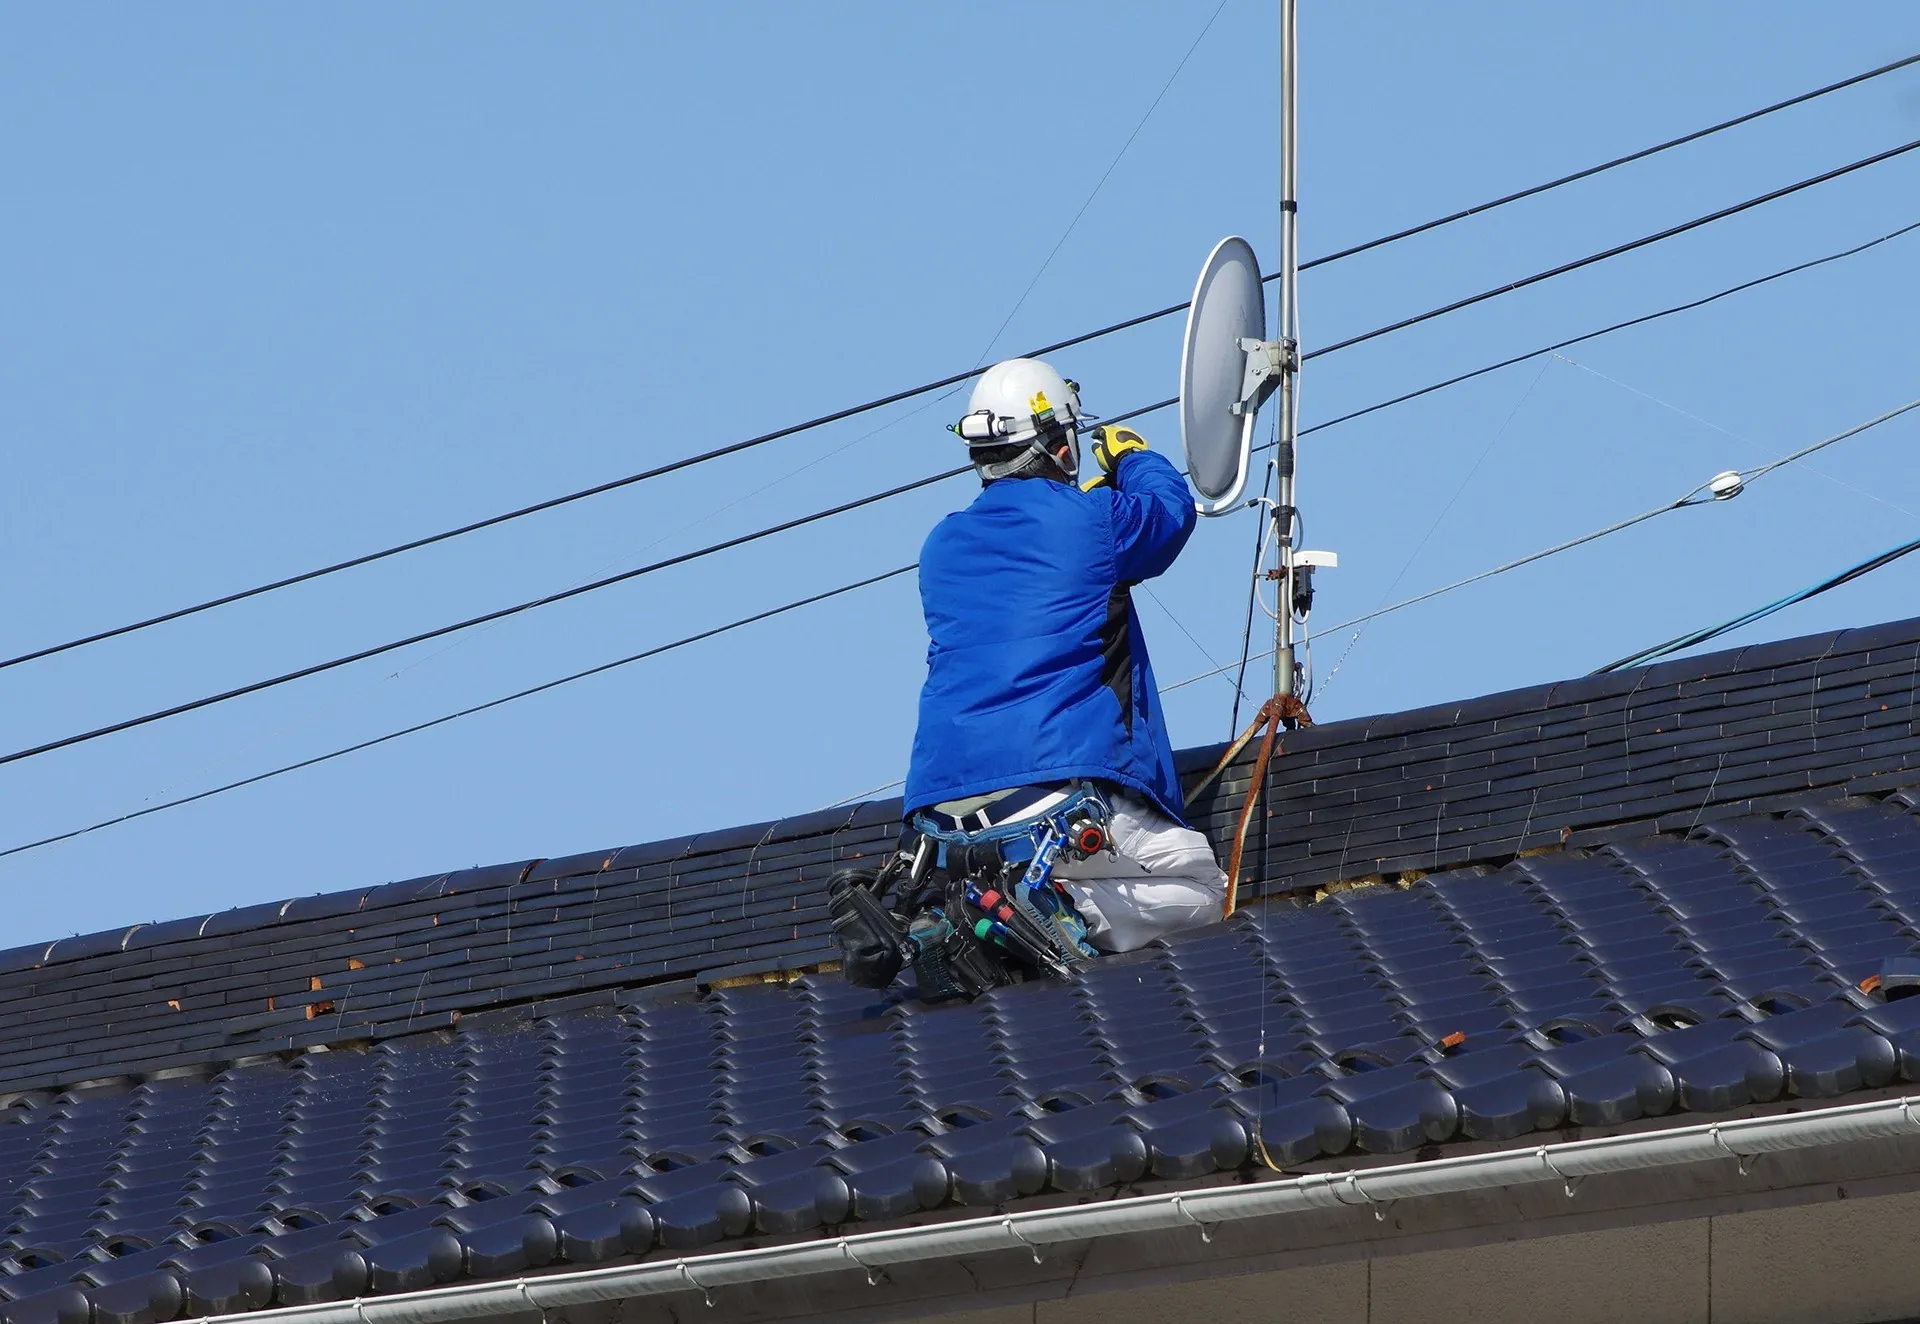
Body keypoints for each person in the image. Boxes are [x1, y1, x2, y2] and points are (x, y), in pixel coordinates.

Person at [903, 357, 1227, 955]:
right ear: (1061, 447)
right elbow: (1169, 513)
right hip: (1052, 801)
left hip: (939, 824)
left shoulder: (940, 545)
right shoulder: (1091, 523)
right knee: (1203, 886)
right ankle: (1054, 907)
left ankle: (977, 917)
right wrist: (1131, 456)